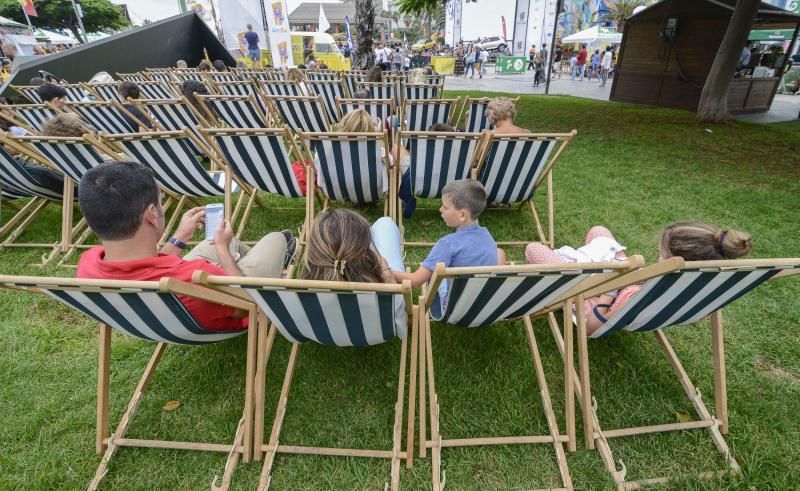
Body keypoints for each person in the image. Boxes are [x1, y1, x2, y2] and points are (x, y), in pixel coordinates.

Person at [76, 161, 297, 331]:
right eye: (160, 201)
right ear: (152, 215)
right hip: (230, 306)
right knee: (278, 239)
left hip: (168, 317)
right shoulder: (198, 276)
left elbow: (145, 268)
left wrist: (179, 238)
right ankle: (266, 264)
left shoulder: (87, 267)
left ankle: (242, 259)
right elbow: (248, 304)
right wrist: (222, 249)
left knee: (217, 245)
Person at [525, 222, 752, 335]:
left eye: (661, 252)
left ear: (673, 259)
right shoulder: (702, 287)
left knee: (534, 249)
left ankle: (565, 265)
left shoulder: (638, 295)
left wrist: (610, 290)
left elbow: (591, 328)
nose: (657, 254)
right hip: (628, 281)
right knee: (599, 231)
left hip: (591, 294)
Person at [392, 180, 505, 313]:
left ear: (462, 215)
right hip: (482, 306)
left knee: (435, 271)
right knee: (499, 252)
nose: (440, 209)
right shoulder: (488, 238)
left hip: (454, 309)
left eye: (445, 207)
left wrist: (386, 270)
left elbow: (415, 282)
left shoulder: (446, 245)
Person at [303, 208, 407, 325]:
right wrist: (386, 272)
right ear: (364, 255)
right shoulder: (381, 292)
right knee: (385, 223)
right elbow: (400, 316)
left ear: (314, 251)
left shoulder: (302, 299)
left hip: (324, 332)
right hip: (378, 327)